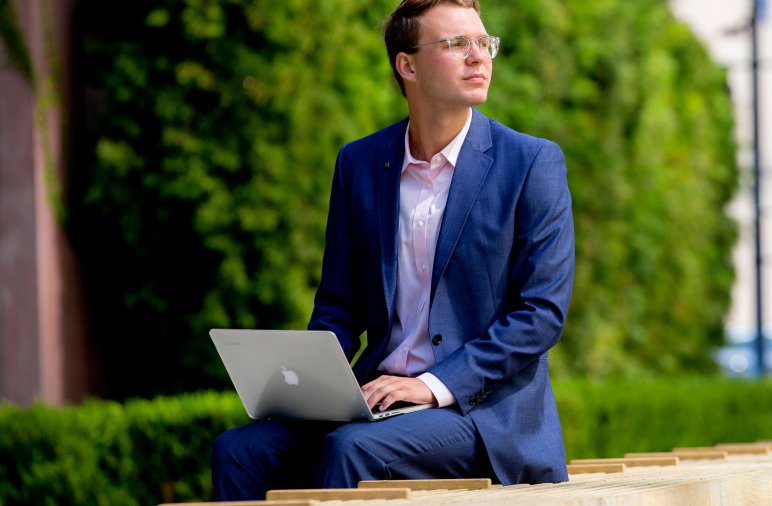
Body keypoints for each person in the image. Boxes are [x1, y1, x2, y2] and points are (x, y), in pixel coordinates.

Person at [210, 0, 575, 499]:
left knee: (352, 449)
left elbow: (540, 314)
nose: (478, 57)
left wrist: (432, 385)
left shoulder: (532, 163)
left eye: (483, 42)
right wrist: (313, 384)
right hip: (377, 400)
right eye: (456, 44)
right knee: (240, 449)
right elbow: (339, 305)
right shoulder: (359, 163)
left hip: (480, 412)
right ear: (407, 65)